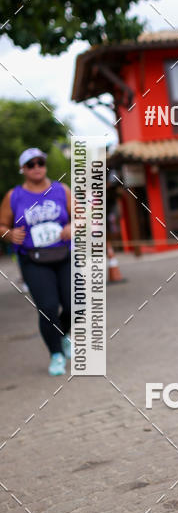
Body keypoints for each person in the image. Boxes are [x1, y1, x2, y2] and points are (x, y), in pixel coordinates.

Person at [0, 148, 72, 375]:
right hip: (33, 259)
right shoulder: (14, 196)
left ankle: (62, 335)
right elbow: (2, 226)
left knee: (74, 305)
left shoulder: (62, 190)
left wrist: (73, 225)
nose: (37, 167)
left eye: (40, 162)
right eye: (30, 164)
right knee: (48, 307)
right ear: (23, 169)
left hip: (63, 254)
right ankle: (56, 354)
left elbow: (81, 215)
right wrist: (8, 234)